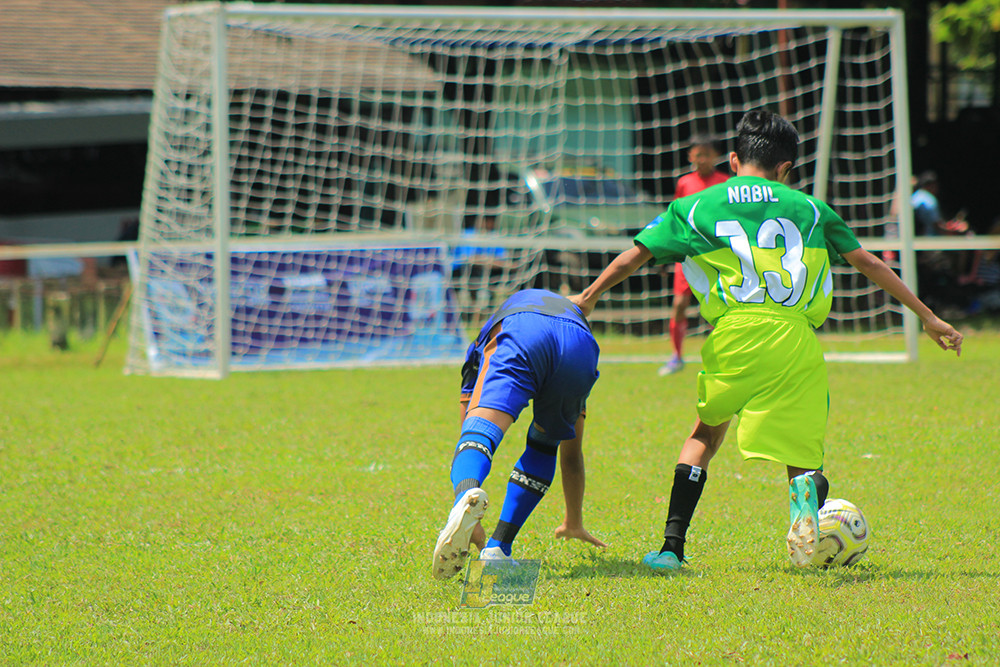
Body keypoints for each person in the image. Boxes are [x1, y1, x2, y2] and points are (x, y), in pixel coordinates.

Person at [570, 109, 963, 572]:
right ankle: (806, 533)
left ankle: (671, 549)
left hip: (735, 333)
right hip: (794, 337)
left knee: (705, 434)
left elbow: (635, 256)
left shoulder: (697, 206)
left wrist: (588, 297)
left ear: (733, 160)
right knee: (800, 455)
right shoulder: (812, 210)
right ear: (786, 169)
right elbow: (871, 263)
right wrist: (929, 317)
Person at [431, 288, 605, 580]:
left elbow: (468, 429)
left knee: (480, 432)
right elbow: (572, 454)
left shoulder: (492, 326)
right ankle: (498, 549)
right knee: (546, 443)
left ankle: (466, 500)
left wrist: (462, 486)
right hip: (581, 346)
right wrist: (573, 520)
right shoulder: (574, 320)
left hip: (521, 328)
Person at [659, 135, 730, 376]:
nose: (702, 159)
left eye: (706, 154)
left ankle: (718, 356)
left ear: (716, 157)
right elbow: (676, 218)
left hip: (715, 255)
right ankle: (677, 356)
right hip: (688, 254)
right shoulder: (685, 183)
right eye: (697, 154)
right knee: (679, 304)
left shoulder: (725, 183)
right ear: (690, 157)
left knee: (717, 307)